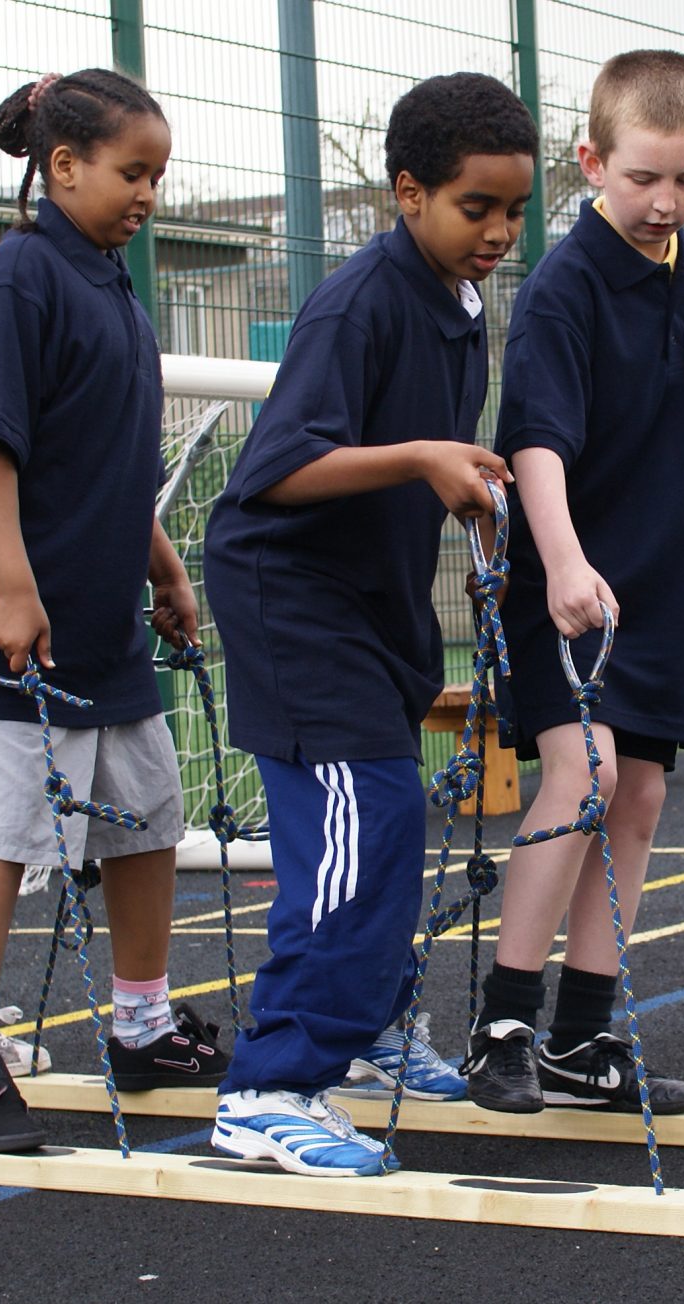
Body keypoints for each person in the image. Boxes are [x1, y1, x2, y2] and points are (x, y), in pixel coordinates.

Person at [199, 72, 537, 1178]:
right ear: (407, 194)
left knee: (387, 824)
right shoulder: (361, 300)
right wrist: (427, 457)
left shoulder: (460, 305)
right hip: (292, 598)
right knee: (361, 831)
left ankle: (365, 1036)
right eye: (474, 207)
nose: (496, 232)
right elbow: (282, 464)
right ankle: (266, 1086)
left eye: (512, 210)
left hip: (373, 599)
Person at [0, 68, 225, 1154]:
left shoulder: (113, 287)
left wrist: (164, 568)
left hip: (101, 613)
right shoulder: (15, 283)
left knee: (147, 811)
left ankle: (139, 1021)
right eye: (132, 172)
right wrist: (14, 588)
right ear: (62, 166)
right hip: (2, 618)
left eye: (157, 176)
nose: (147, 194)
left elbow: (110, 463)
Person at [462, 51, 684, 1117]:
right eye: (642, 180)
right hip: (571, 582)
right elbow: (536, 442)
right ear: (591, 161)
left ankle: (581, 1037)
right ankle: (503, 1026)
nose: (665, 202)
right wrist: (564, 561)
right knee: (587, 776)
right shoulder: (564, 288)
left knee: (644, 792)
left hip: (670, 587)